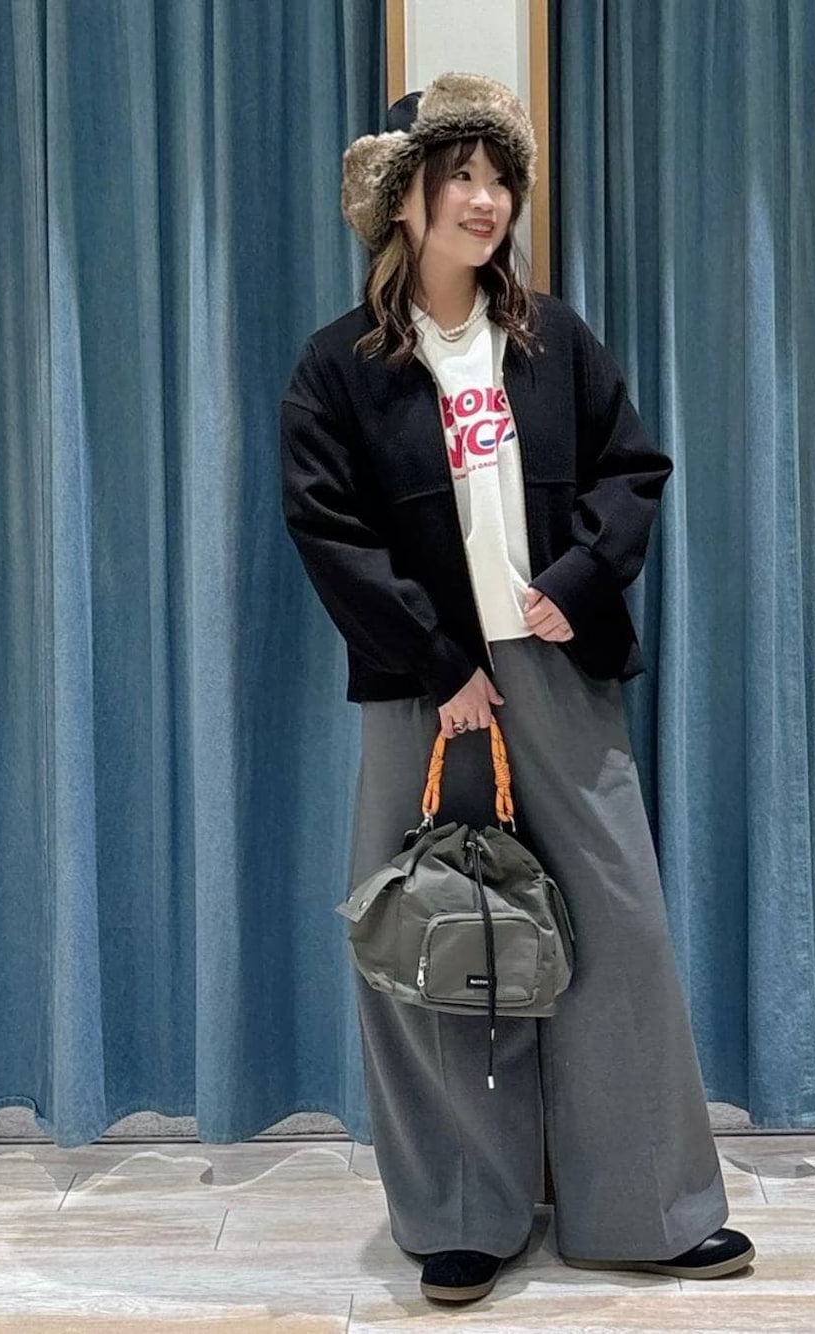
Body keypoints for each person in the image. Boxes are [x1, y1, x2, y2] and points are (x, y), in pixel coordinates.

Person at [279, 71, 754, 1306]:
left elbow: (631, 468)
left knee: (618, 927)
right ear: (405, 198)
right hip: (426, 691)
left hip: (557, 670)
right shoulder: (339, 367)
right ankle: (460, 1215)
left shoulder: (553, 340)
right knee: (433, 931)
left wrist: (581, 577)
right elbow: (327, 528)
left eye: (500, 177)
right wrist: (440, 660)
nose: (486, 199)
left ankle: (644, 1208)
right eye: (462, 177)